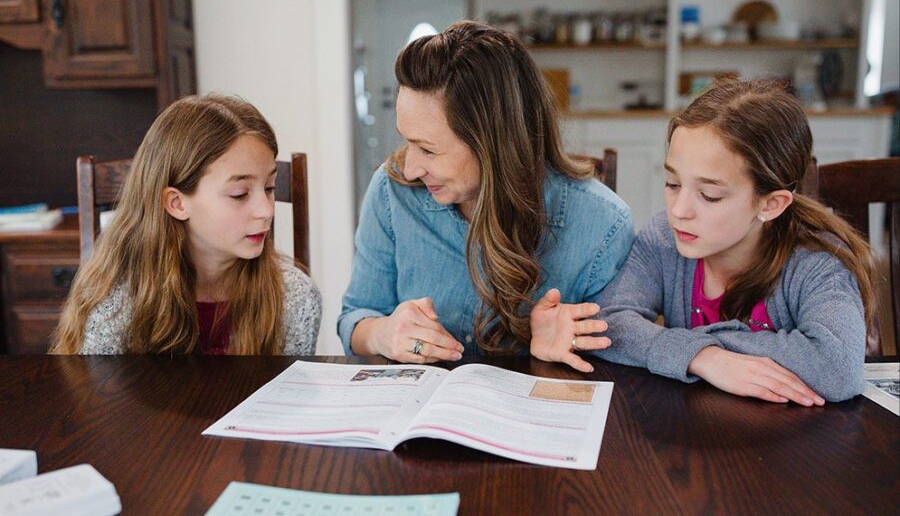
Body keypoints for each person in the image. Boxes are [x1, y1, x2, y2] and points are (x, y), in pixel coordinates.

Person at [533, 78, 874, 403]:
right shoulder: (663, 239)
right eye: (672, 183)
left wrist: (685, 347)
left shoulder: (817, 262)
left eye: (709, 196)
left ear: (771, 204)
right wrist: (704, 358)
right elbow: (610, 323)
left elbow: (838, 367)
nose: (679, 211)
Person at [338, 21, 633, 371]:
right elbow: (355, 317)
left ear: (495, 145)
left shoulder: (603, 223)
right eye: (407, 141)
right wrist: (382, 333)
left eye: (428, 150)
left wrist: (567, 345)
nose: (412, 168)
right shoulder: (392, 191)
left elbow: (619, 364)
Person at [51, 95, 321, 355]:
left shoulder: (294, 298)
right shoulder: (114, 301)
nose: (266, 210)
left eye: (269, 187)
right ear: (177, 203)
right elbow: (100, 399)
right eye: (239, 194)